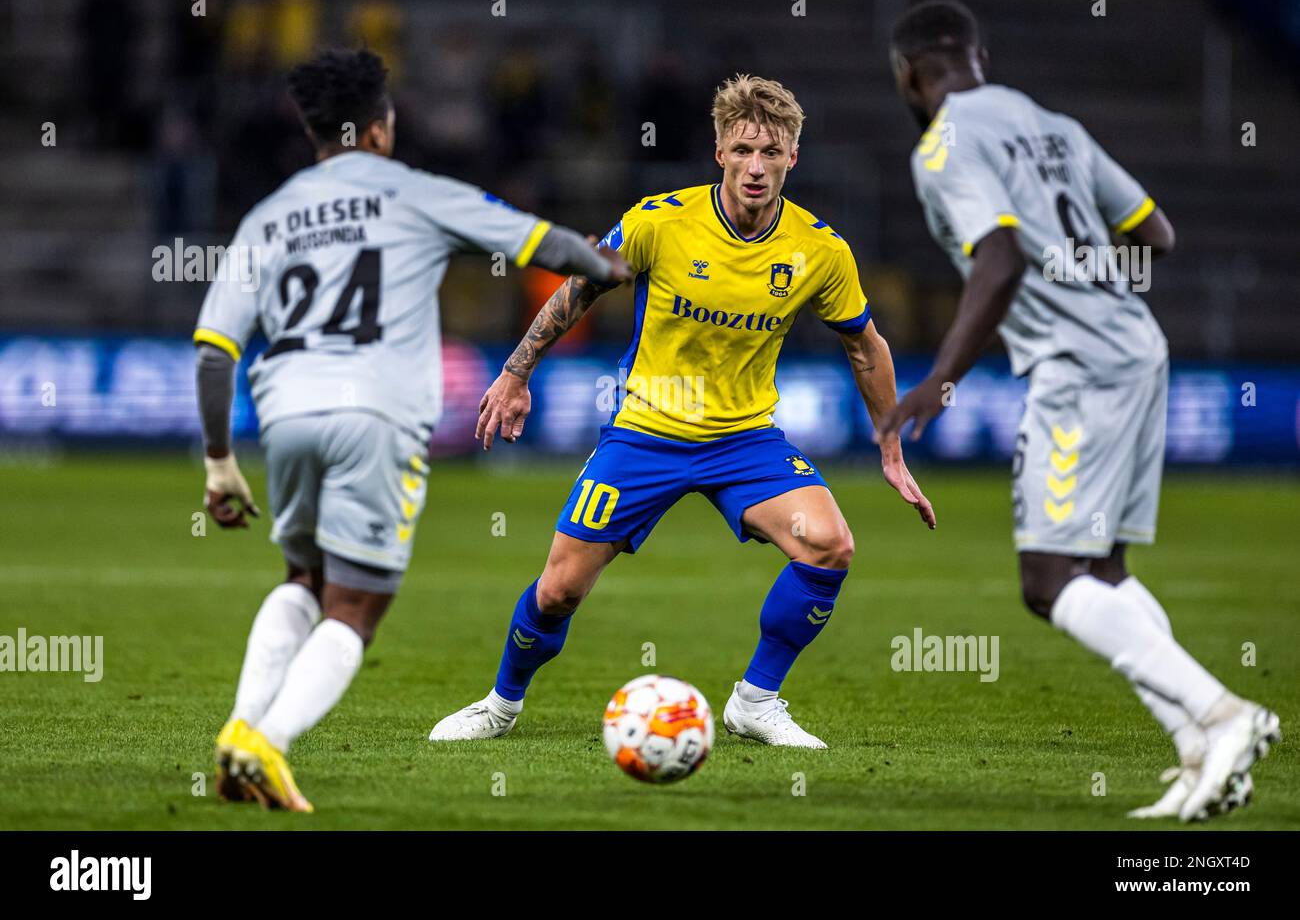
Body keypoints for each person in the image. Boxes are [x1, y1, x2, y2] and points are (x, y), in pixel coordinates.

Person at [429, 74, 934, 750]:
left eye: (773, 152)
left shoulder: (820, 251)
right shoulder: (659, 220)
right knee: (557, 592)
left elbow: (864, 346)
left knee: (830, 545)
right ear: (719, 151)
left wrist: (890, 445)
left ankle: (755, 701)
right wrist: (516, 372)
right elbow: (581, 287)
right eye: (744, 149)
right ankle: (500, 704)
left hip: (745, 440)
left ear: (794, 158)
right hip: (646, 433)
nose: (757, 166)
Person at [194, 47, 630, 811]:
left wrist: (218, 462)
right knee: (356, 605)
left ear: (313, 132)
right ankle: (268, 742)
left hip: (285, 409)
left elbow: (213, 350)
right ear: (378, 130)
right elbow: (538, 242)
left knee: (303, 578)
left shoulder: (272, 213)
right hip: (375, 414)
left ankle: (239, 729)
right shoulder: (413, 192)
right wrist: (608, 267)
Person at [878, 0, 1279, 821]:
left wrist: (940, 380)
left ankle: (1225, 714)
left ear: (908, 77)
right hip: (1139, 346)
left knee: (1048, 580)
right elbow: (1156, 233)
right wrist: (1090, 271)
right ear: (978, 55)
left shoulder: (945, 145)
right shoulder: (1052, 123)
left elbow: (1000, 258)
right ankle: (1201, 750)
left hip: (1079, 366)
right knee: (1103, 570)